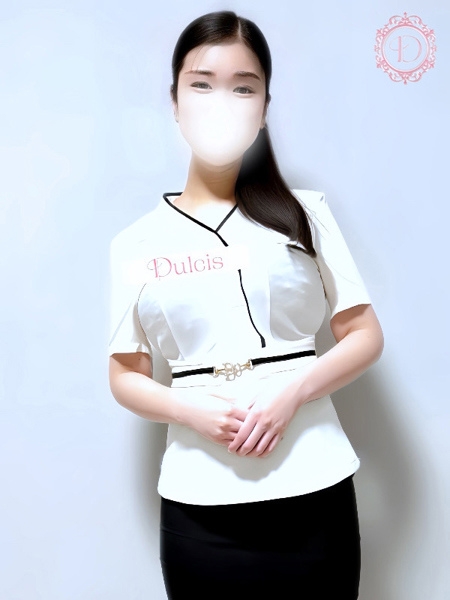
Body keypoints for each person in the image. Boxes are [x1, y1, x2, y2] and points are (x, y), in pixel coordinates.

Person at [108, 10, 383, 600]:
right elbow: (125, 375)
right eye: (201, 84)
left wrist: (291, 394)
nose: (221, 103)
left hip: (315, 487)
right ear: (175, 101)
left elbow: (364, 335)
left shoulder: (306, 214)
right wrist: (191, 411)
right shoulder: (135, 243)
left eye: (243, 87)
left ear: (263, 109)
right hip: (198, 502)